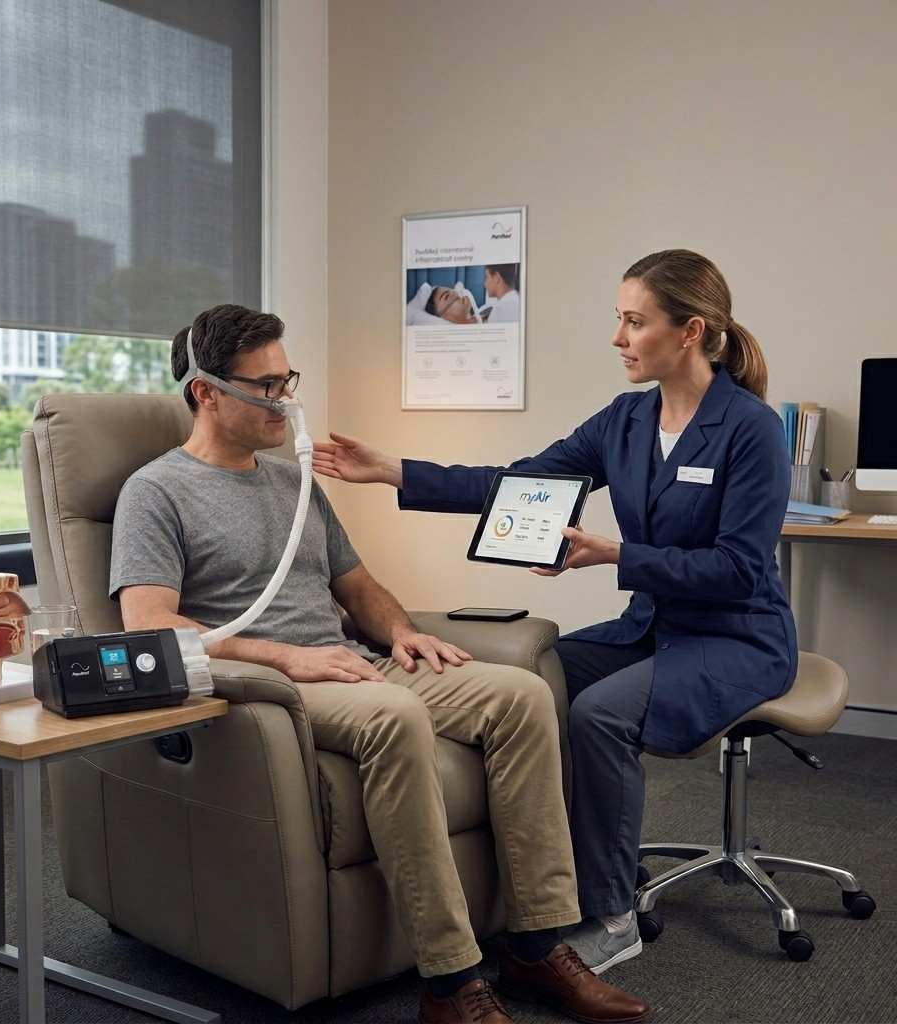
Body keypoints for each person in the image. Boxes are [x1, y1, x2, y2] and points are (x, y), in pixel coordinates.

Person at [109, 304, 650, 1024]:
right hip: (273, 682)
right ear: (206, 391)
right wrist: (289, 657)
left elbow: (358, 588)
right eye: (266, 387)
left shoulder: (294, 482)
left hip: (352, 661)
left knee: (522, 696)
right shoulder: (155, 491)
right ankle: (451, 982)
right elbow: (150, 624)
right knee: (395, 716)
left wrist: (401, 634)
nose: (286, 400)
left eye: (288, 380)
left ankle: (536, 946)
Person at [313, 248, 798, 977]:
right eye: (619, 319)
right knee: (533, 678)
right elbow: (521, 480)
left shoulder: (750, 428)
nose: (618, 338)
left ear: (690, 331)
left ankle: (612, 915)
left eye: (634, 322)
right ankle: (557, 881)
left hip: (738, 636)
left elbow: (738, 569)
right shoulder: (627, 419)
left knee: (600, 715)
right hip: (655, 626)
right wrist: (394, 471)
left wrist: (615, 555)